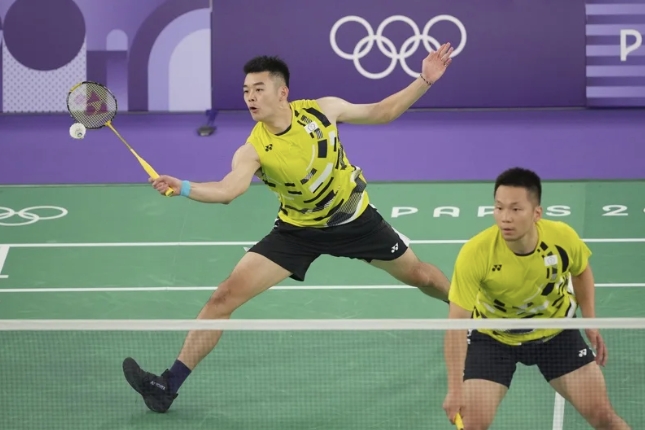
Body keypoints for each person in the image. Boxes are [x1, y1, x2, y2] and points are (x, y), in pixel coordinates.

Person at [122, 44, 456, 413]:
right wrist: (184, 186)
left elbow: (382, 112)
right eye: (246, 91)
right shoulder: (253, 149)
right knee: (223, 298)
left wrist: (425, 79)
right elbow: (228, 190)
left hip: (354, 220)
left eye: (258, 89)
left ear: (283, 92)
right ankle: (167, 386)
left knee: (421, 276)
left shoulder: (323, 110)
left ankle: (469, 312)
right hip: (297, 231)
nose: (250, 97)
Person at [442, 167, 631, 429]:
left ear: (536, 213)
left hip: (556, 332)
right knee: (472, 425)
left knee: (604, 417)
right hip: (493, 338)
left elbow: (581, 271)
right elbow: (456, 323)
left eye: (515, 209)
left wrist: (589, 322)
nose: (505, 218)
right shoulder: (475, 253)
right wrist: (455, 389)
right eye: (499, 208)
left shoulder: (562, 237)